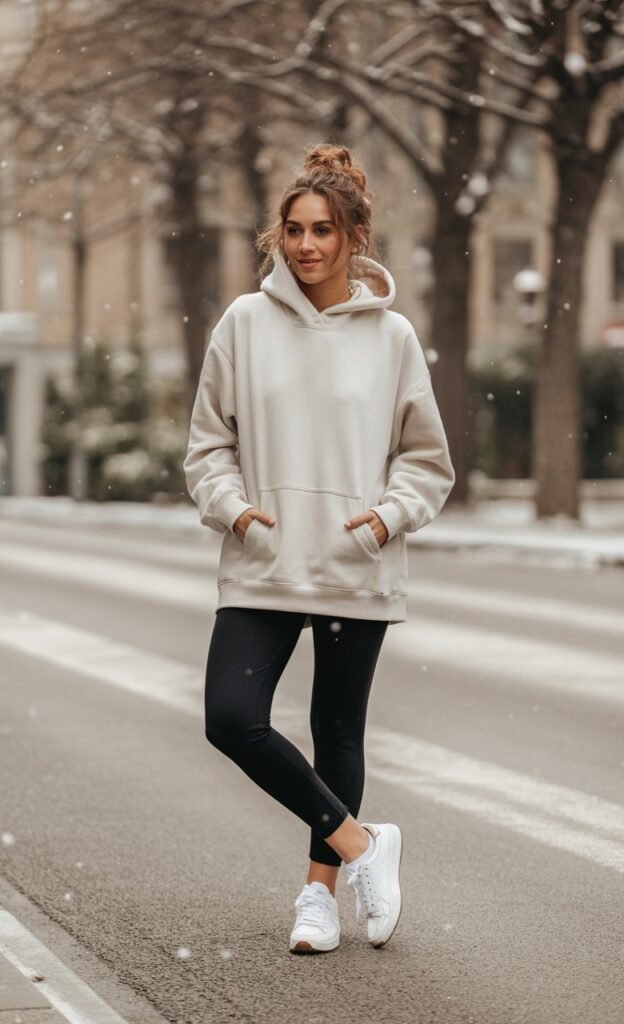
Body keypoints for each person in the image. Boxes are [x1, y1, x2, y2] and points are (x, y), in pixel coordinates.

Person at [183, 143, 455, 954]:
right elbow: (207, 446)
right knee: (230, 720)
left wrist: (384, 518)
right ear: (278, 235)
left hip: (352, 564)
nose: (306, 246)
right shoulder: (244, 323)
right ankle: (364, 845)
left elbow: (427, 459)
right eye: (294, 230)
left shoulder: (393, 336)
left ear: (354, 238)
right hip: (263, 562)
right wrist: (234, 511)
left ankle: (319, 898)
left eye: (324, 231)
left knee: (339, 729)